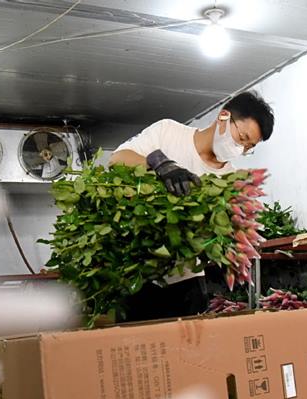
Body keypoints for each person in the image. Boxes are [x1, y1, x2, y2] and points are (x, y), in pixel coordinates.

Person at [108, 91, 274, 322]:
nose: (241, 149)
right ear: (224, 117)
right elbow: (117, 160)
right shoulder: (169, 132)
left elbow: (219, 239)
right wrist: (159, 164)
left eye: (249, 146)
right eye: (242, 137)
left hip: (185, 283)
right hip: (136, 274)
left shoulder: (230, 180)